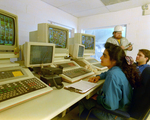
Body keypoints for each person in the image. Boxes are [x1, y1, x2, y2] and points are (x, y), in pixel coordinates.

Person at [79, 42, 140, 120]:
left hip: (114, 115)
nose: (101, 58)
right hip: (123, 109)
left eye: (104, 56)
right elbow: (106, 73)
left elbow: (111, 105)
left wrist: (98, 98)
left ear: (114, 60)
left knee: (83, 99)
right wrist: (98, 76)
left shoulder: (112, 75)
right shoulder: (119, 69)